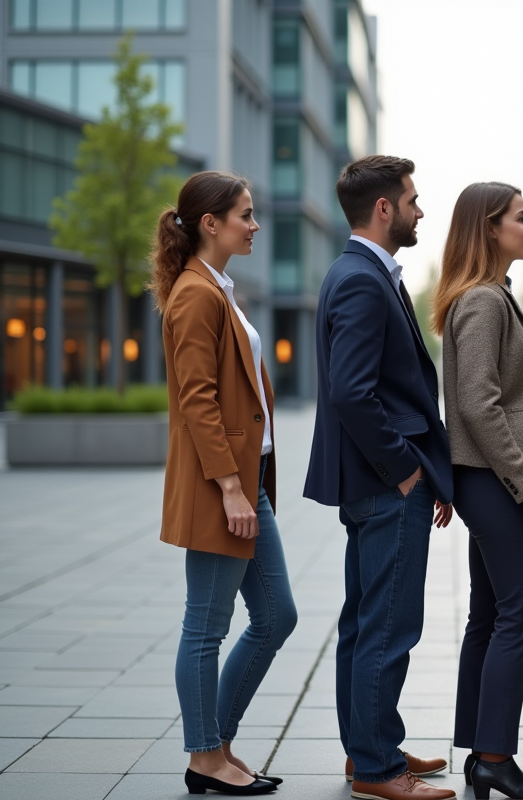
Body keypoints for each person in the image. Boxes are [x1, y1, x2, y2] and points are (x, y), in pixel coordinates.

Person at [304, 156, 456, 800]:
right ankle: (376, 770)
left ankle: (370, 748)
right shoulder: (364, 280)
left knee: (366, 623)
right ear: (385, 209)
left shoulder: (362, 273)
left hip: (372, 483)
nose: (421, 211)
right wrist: (405, 473)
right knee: (389, 625)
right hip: (384, 484)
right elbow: (353, 392)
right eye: (414, 200)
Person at [152, 171, 296, 796]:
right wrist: (232, 490)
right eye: (245, 214)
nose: (255, 224)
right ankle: (205, 757)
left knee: (275, 617)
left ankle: (215, 742)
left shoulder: (218, 288)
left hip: (247, 484)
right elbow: (198, 401)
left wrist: (248, 485)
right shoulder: (195, 294)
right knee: (206, 625)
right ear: (210, 223)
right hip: (225, 489)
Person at [433, 183, 523, 800]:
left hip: (482, 481)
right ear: (489, 229)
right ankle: (493, 757)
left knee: (488, 616)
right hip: (494, 482)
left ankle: (483, 753)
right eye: (519, 217)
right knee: (521, 611)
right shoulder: (484, 301)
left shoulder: (487, 296)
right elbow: (480, 407)